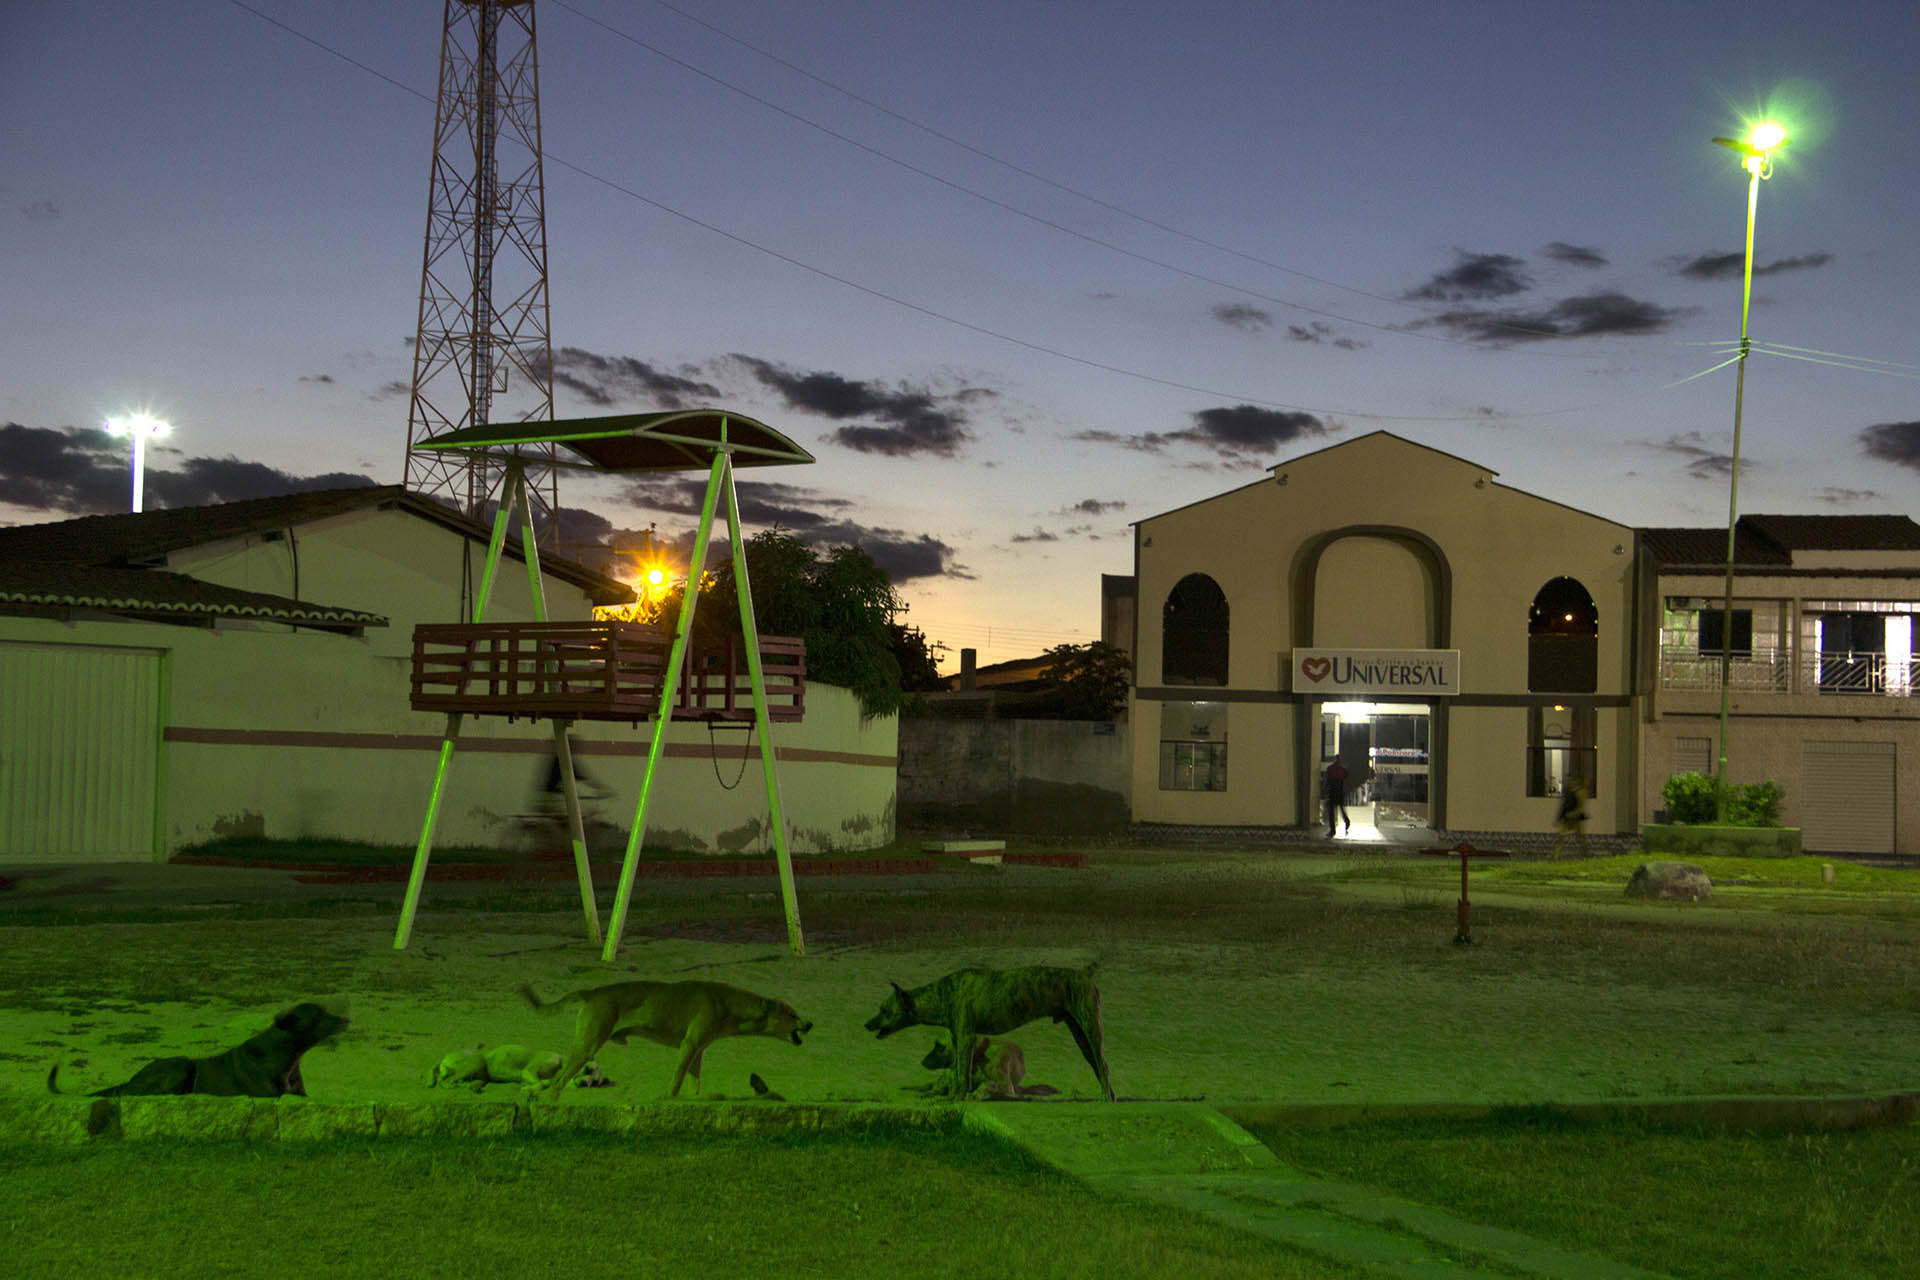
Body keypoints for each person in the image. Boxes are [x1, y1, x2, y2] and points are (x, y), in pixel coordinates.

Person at [1551, 779, 1591, 858]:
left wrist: (1559, 818)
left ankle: (1556, 854)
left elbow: (1565, 806)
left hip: (1572, 818)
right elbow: (1568, 806)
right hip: (1572, 818)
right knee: (1577, 836)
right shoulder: (1576, 792)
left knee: (1564, 836)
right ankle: (1585, 853)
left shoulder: (1575, 792)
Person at [1324, 758, 1350, 838]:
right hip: (1340, 792)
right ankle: (1347, 822)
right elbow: (1346, 777)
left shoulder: (1330, 769)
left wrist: (1325, 789)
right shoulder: (1343, 770)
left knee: (1331, 812)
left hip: (1332, 792)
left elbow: (1328, 780)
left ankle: (1332, 830)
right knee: (1341, 809)